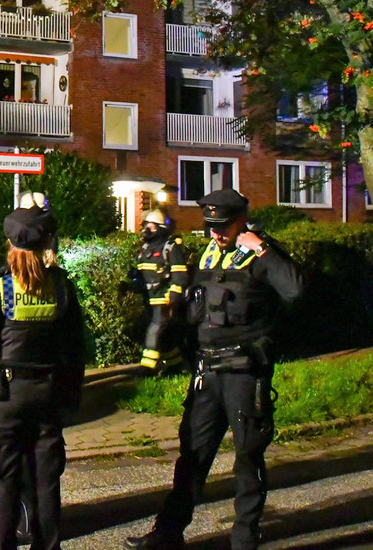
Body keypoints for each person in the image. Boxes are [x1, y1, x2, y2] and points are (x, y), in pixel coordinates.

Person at [126, 188, 303, 550]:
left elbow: (295, 290)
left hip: (242, 373)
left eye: (223, 226)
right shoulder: (209, 253)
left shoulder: (259, 252)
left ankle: (243, 539)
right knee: (191, 456)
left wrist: (261, 248)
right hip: (207, 373)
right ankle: (168, 533)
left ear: (242, 220)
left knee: (247, 457)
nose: (216, 233)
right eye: (211, 225)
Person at [0, 205, 81, 550]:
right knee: (46, 480)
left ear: (9, 245)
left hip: (6, 396)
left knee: (3, 479)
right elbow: (75, 348)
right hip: (49, 395)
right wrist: (73, 395)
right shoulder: (62, 288)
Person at [119, 209, 189, 375]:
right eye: (145, 226)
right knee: (162, 336)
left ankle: (147, 368)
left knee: (154, 330)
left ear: (160, 228)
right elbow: (142, 280)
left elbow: (180, 276)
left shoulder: (170, 248)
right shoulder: (144, 249)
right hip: (149, 300)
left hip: (164, 301)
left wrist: (173, 298)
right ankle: (176, 365)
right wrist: (128, 286)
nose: (146, 229)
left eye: (150, 226)